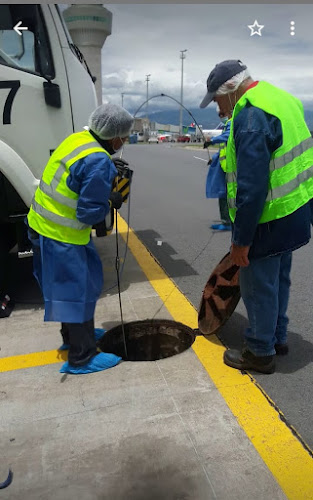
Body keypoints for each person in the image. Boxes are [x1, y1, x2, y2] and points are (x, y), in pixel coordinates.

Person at [200, 59, 313, 374]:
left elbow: (251, 188)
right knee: (280, 279)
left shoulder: (250, 115)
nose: (219, 109)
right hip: (294, 210)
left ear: (230, 90)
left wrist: (241, 241)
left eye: (218, 100)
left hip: (267, 219)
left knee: (257, 286)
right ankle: (277, 337)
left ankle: (260, 353)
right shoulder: (283, 99)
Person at [27, 103, 134, 375]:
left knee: (67, 290)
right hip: (61, 236)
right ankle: (82, 357)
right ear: (115, 137)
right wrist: (109, 198)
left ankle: (72, 338)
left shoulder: (79, 139)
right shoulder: (99, 161)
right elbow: (89, 213)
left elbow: (74, 181)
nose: (125, 141)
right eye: (125, 136)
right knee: (78, 291)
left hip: (41, 226)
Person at [204, 111, 232, 231]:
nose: (221, 117)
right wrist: (214, 159)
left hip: (231, 168)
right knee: (224, 194)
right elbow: (224, 149)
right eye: (219, 115)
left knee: (226, 195)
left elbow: (228, 135)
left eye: (222, 114)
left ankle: (228, 223)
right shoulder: (227, 124)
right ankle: (227, 221)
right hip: (225, 167)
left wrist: (212, 140)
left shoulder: (232, 122)